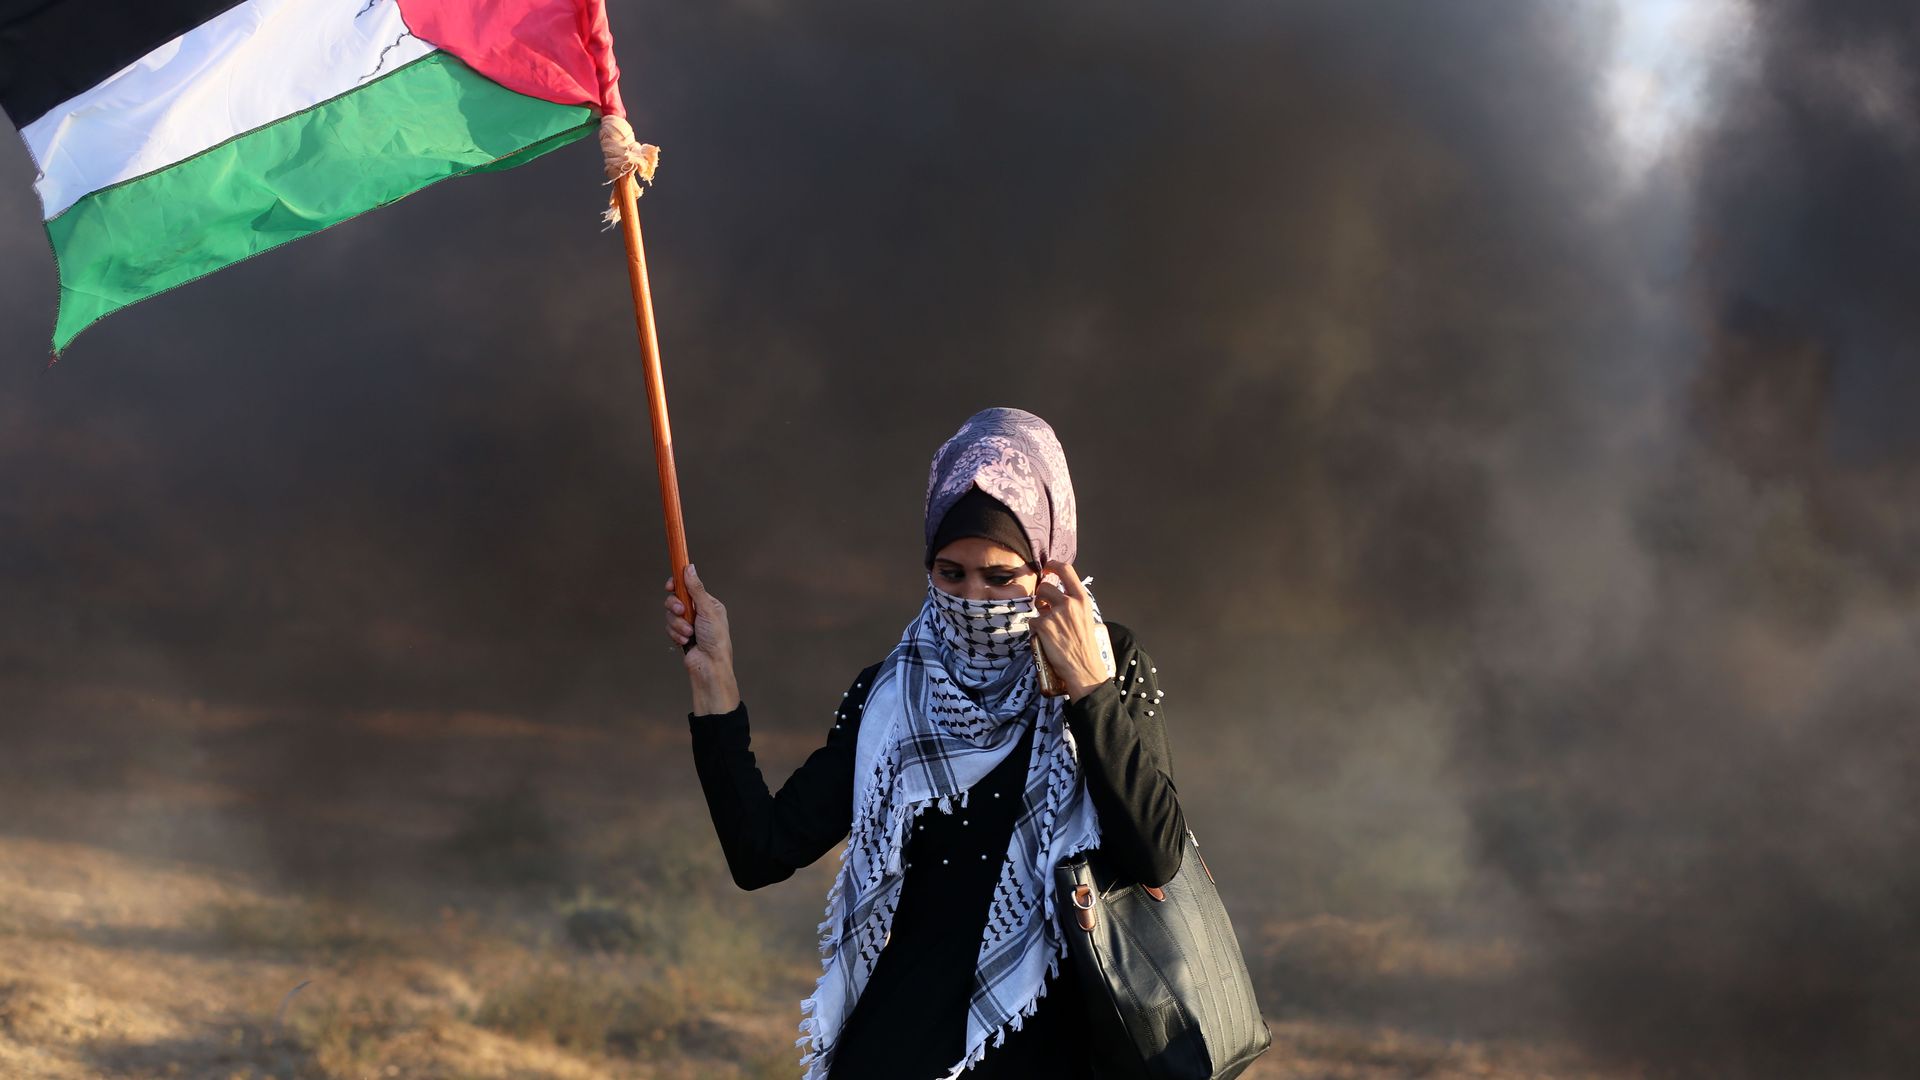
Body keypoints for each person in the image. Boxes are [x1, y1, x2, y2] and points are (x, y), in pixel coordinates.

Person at [664, 407, 1186, 1079]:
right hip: (905, 1048)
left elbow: (1155, 853)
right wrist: (716, 682)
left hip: (1058, 1049)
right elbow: (761, 851)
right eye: (950, 574)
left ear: (1048, 565)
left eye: (1000, 578)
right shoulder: (892, 696)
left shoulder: (1109, 664)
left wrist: (1088, 691)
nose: (974, 598)